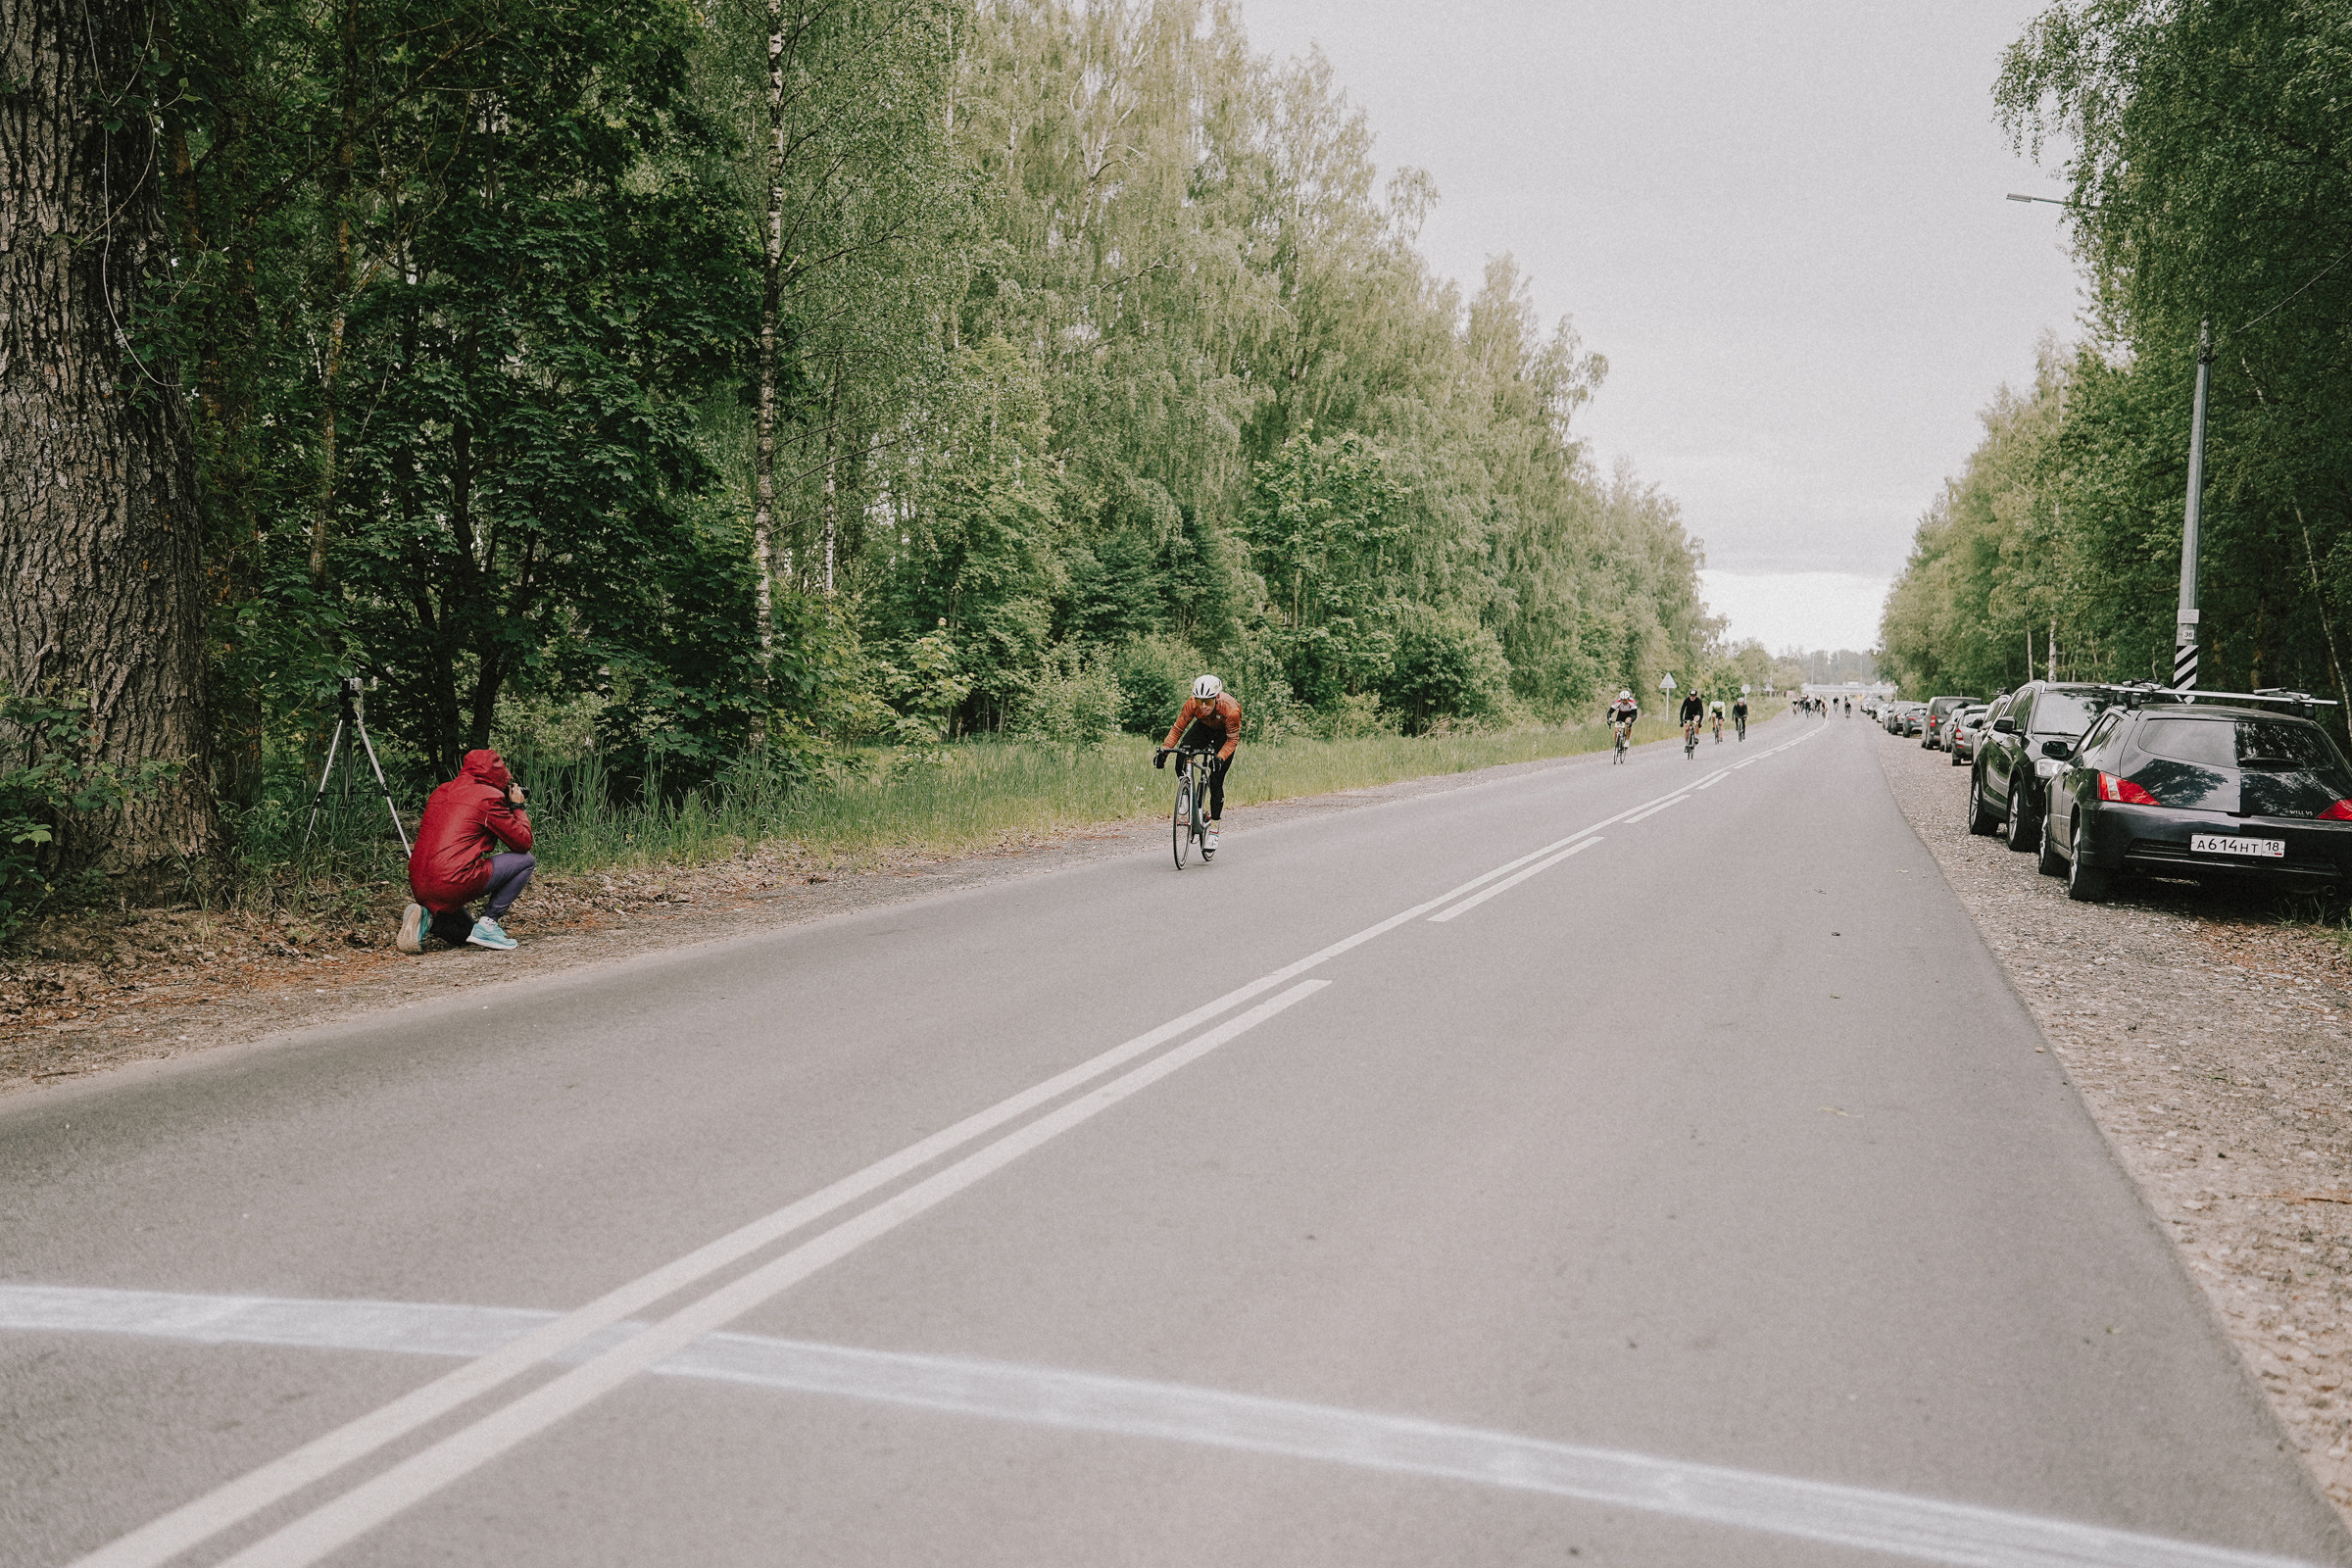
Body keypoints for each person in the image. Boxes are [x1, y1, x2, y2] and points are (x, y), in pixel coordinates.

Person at [398, 749, 535, 953]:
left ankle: (427, 919)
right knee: (526, 861)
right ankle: (489, 924)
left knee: (466, 935)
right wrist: (516, 807)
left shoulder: (441, 791)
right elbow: (523, 843)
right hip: (453, 880)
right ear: (497, 776)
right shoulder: (489, 797)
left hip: (420, 884)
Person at [1155, 675, 1242, 852]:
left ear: (1217, 698)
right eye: (1199, 700)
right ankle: (1186, 793)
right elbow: (1178, 729)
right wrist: (1165, 750)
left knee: (1216, 781)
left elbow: (1232, 741)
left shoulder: (1231, 710)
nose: (1203, 706)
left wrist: (1221, 757)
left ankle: (1214, 831)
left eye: (1208, 701)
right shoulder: (1192, 705)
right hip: (1203, 728)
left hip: (1223, 736)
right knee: (1181, 755)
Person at [1605, 689, 1640, 761]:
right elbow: (1609, 713)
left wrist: (1631, 721)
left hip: (1630, 714)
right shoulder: (1617, 703)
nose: (1624, 702)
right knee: (1616, 730)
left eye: (1625, 700)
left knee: (1627, 722)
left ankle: (1627, 740)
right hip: (1620, 715)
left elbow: (1635, 715)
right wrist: (1609, 719)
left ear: (1628, 699)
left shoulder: (1632, 702)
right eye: (1623, 700)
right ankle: (1616, 746)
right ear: (1620, 699)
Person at [1678, 688, 1705, 753]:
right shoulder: (1686, 700)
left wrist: (1700, 721)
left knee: (1696, 722)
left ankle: (1696, 737)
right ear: (1689, 695)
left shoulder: (1698, 701)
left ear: (1696, 696)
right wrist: (1681, 721)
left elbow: (1701, 711)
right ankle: (1687, 744)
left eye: (1694, 696)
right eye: (1691, 696)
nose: (1692, 698)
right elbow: (1682, 710)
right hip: (1688, 715)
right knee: (1687, 728)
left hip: (1696, 714)